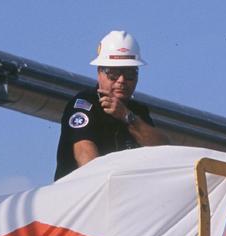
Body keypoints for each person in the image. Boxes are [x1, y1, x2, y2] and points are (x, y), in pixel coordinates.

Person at [54, 29, 170, 180]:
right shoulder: (84, 104)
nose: (121, 80)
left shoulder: (137, 112)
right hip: (83, 196)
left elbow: (165, 149)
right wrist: (103, 185)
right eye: (113, 73)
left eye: (129, 74)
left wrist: (127, 117)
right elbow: (84, 151)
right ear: (99, 72)